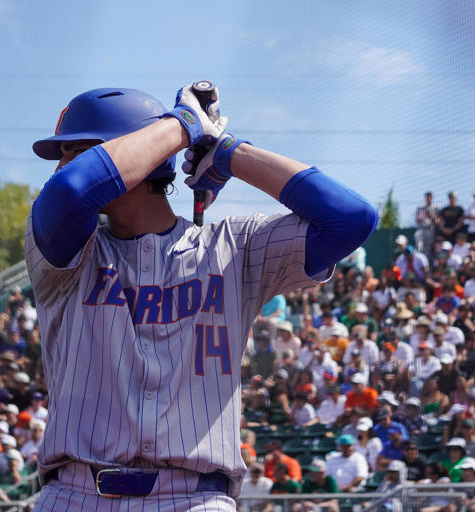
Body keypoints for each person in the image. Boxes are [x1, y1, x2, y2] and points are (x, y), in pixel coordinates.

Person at [25, 83, 376, 509]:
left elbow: (351, 219)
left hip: (193, 499)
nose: (61, 167)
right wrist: (185, 125)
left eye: (74, 152)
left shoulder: (235, 246)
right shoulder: (64, 252)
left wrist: (229, 153)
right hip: (77, 494)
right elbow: (69, 192)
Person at [415, 191, 438, 260]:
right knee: (419, 246)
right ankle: (418, 259)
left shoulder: (436, 208)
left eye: (429, 197)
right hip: (421, 230)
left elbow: (438, 221)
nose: (428, 199)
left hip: (430, 230)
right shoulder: (420, 208)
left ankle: (426, 262)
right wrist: (421, 216)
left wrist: (430, 215)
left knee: (428, 248)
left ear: (432, 198)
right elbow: (416, 220)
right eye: (426, 197)